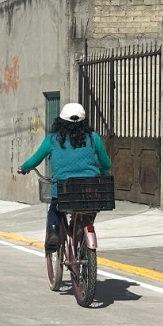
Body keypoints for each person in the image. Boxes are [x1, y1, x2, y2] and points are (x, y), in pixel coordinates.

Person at [18, 102, 113, 250]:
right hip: (90, 190)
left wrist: (24, 168)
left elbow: (35, 160)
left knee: (55, 208)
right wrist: (104, 173)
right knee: (90, 208)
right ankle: (82, 232)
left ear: (60, 121)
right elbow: (106, 163)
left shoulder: (52, 139)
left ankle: (54, 232)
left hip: (64, 190)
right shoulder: (94, 138)